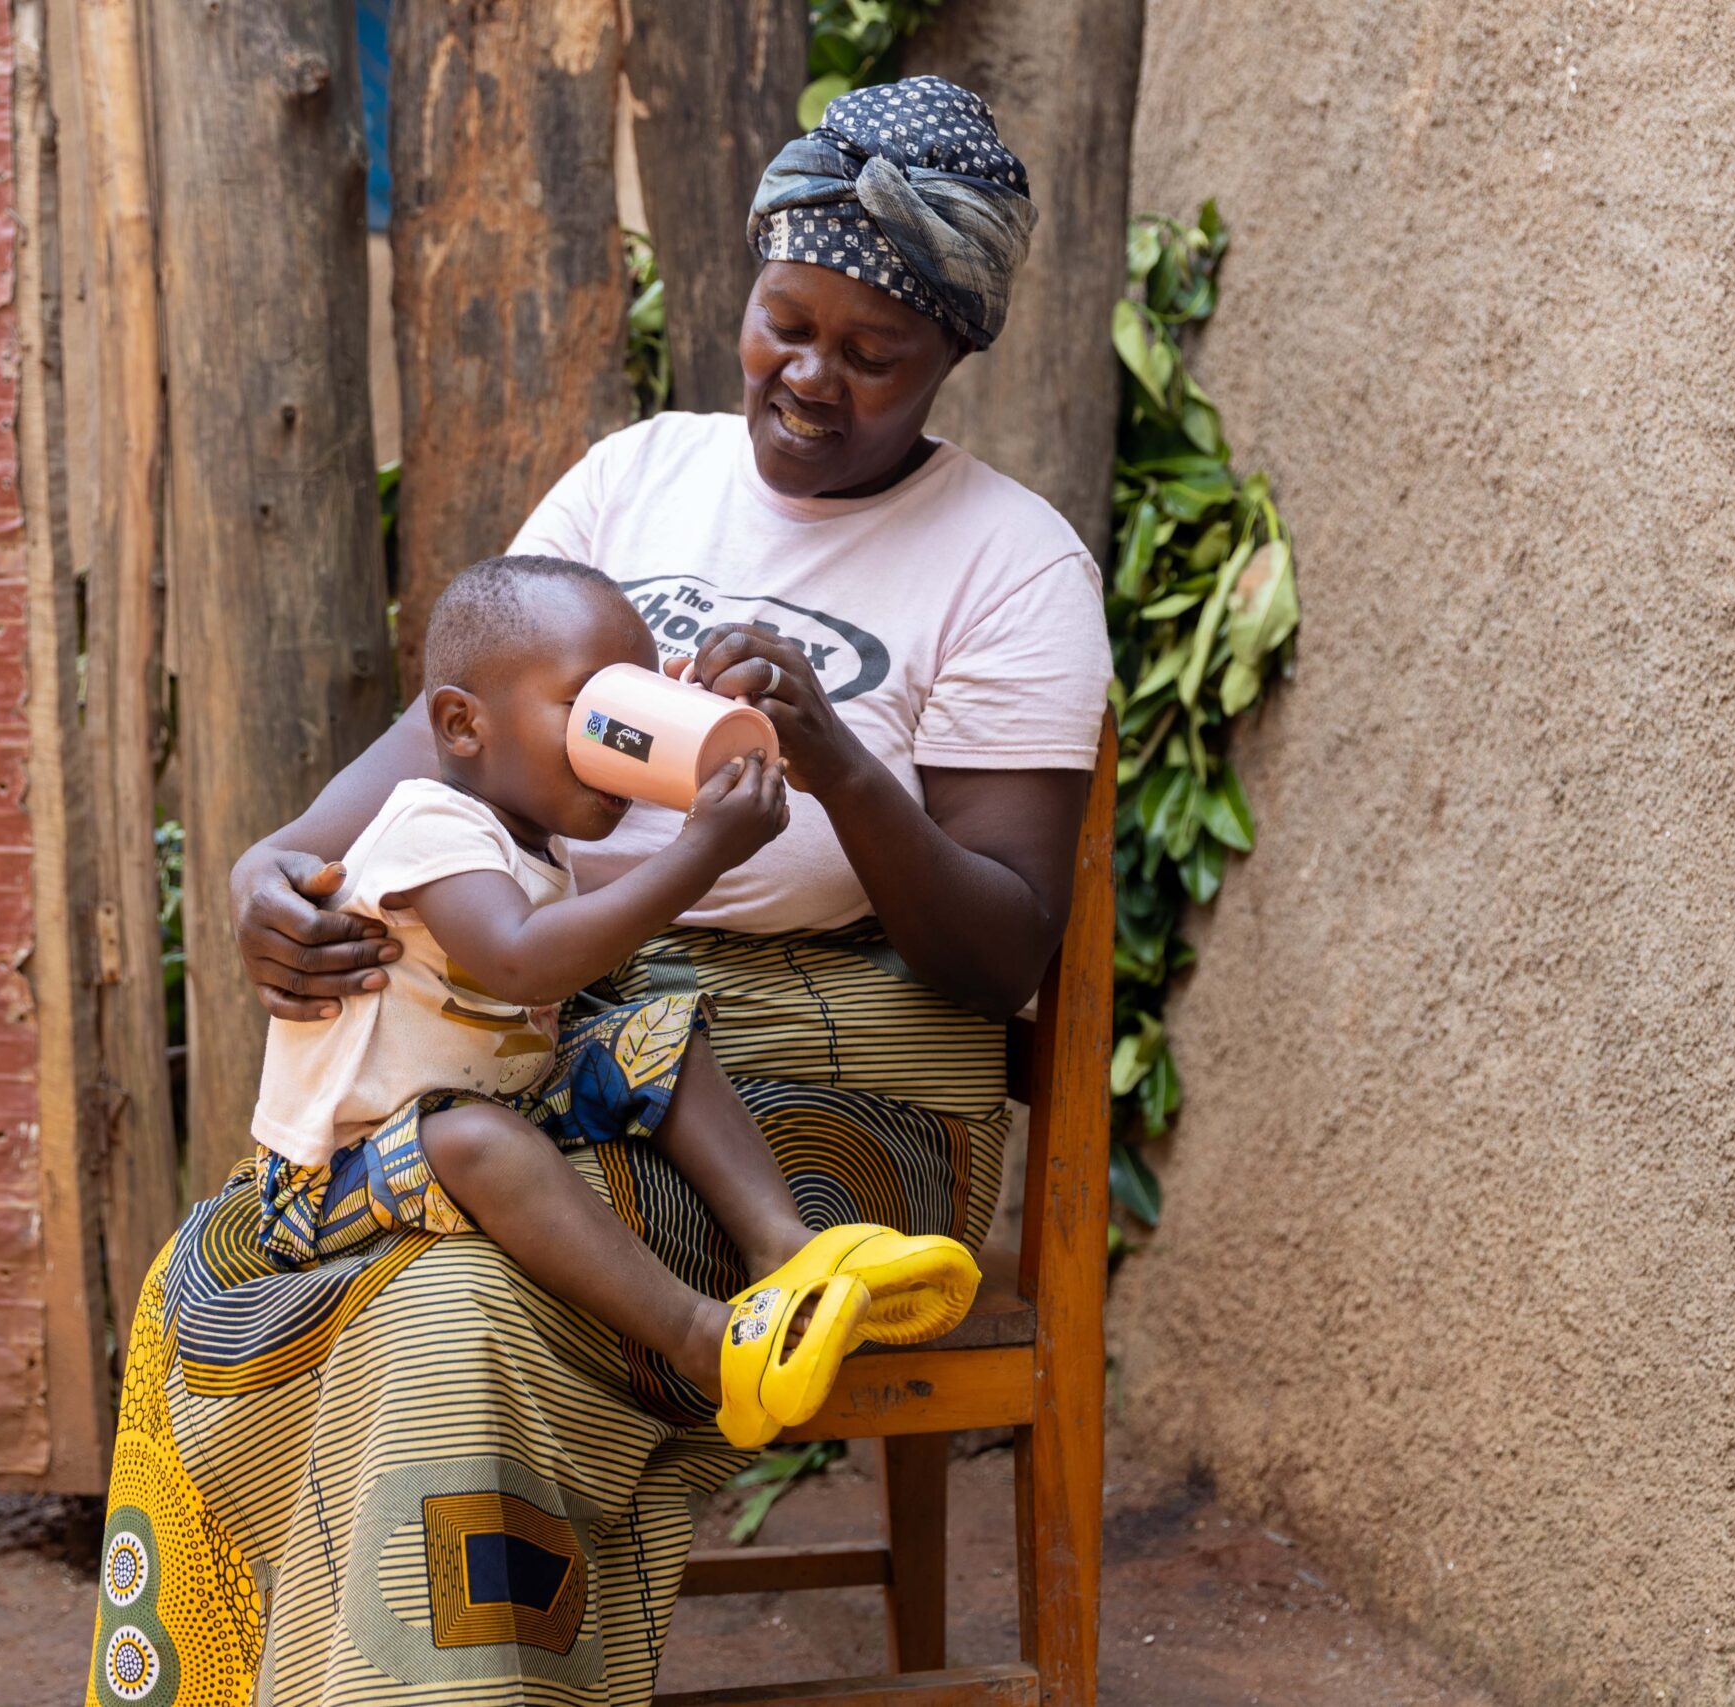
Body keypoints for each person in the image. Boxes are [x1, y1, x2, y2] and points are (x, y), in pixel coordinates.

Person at [84, 75, 1109, 1707]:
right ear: (749, 289)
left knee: (454, 1302)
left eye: (873, 353)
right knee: (219, 1270)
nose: (810, 376)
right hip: (552, 1032)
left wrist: (831, 754)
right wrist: (280, 860)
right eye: (787, 322)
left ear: (953, 355)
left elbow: (1002, 951)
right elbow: (458, 720)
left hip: (836, 1095)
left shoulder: (1010, 561)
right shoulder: (642, 478)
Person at [247, 551, 980, 1452]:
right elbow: (522, 964)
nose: (618, 736)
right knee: (481, 1139)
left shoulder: (530, 836)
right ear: (462, 725)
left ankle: (788, 1252)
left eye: (634, 703)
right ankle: (706, 1342)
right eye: (589, 709)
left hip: (483, 1104)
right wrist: (702, 851)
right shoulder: (427, 824)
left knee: (657, 1032)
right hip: (341, 1171)